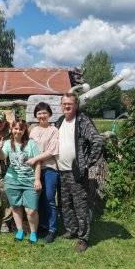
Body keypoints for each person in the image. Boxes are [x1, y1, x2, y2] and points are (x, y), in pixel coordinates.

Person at [55, 93, 103, 252]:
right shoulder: (60, 121)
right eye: (64, 104)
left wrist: (87, 163)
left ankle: (83, 238)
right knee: (66, 203)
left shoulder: (82, 120)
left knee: (80, 205)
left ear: (76, 105)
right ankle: (71, 230)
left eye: (70, 104)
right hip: (61, 170)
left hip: (77, 172)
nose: (66, 106)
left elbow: (97, 140)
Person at [0, 120, 42, 244]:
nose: (18, 131)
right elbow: (2, 157)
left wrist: (37, 179)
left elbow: (38, 162)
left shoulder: (31, 144)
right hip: (12, 180)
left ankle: (33, 232)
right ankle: (20, 230)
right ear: (12, 129)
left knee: (31, 210)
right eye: (15, 128)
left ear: (24, 131)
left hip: (29, 180)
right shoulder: (7, 143)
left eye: (20, 129)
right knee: (16, 207)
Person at [28, 102, 60, 243]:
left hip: (49, 168)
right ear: (36, 115)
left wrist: (35, 158)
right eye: (39, 113)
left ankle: (52, 228)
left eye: (44, 113)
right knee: (37, 197)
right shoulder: (33, 130)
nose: (42, 115)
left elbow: (52, 151)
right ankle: (41, 224)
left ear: (49, 114)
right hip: (35, 168)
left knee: (49, 198)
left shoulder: (54, 130)